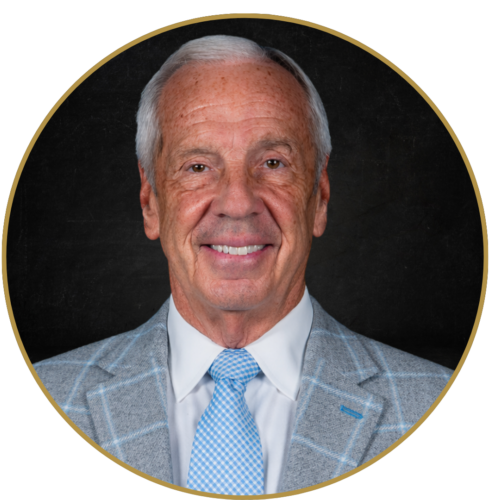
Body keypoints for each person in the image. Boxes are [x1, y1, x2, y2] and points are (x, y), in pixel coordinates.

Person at [33, 35, 454, 494]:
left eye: (273, 163)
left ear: (320, 196)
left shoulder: (430, 401)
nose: (237, 203)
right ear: (150, 200)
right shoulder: (52, 395)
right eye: (197, 167)